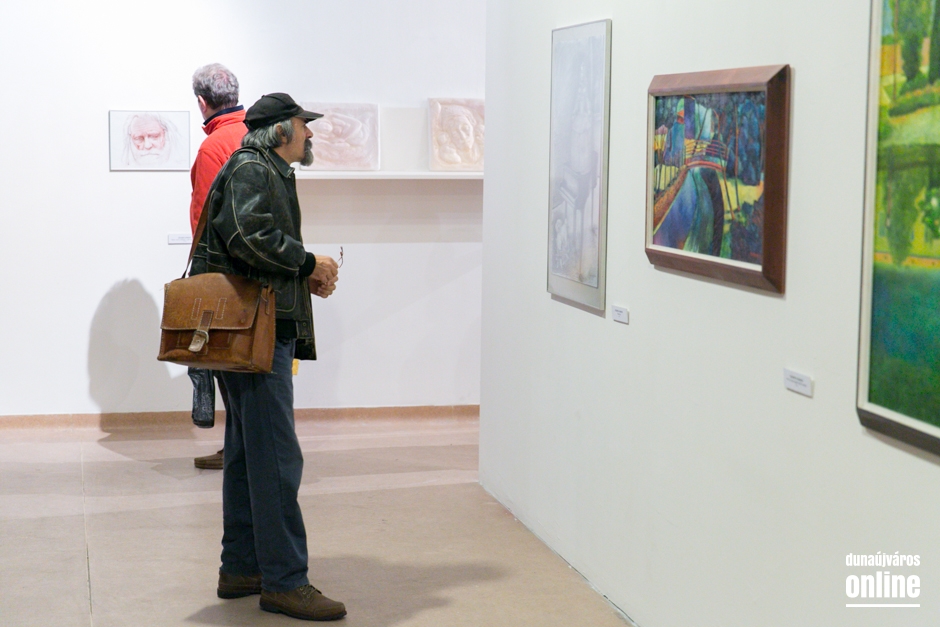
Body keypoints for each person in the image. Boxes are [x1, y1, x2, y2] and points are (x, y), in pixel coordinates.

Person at [190, 92, 344, 621]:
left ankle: (242, 568)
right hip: (254, 334)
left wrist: (304, 274)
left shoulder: (264, 169)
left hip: (251, 332)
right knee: (277, 457)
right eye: (304, 124)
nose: (310, 133)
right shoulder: (253, 168)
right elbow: (250, 238)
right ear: (280, 130)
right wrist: (308, 263)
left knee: (245, 454)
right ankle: (285, 581)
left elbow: (254, 247)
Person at [188, 63, 247, 470]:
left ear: (201, 101)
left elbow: (206, 218)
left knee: (228, 364)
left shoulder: (214, 146)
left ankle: (238, 453)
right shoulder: (256, 133)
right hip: (259, 269)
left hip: (225, 274)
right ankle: (244, 450)